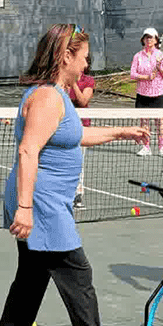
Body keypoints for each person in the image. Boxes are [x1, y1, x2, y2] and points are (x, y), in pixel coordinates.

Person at [0, 23, 146, 326]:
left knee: (31, 277)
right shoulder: (47, 98)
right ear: (65, 55)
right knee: (77, 274)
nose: (87, 66)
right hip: (41, 205)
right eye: (84, 58)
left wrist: (120, 131)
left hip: (43, 202)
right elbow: (28, 151)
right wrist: (25, 209)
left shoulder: (56, 95)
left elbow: (75, 135)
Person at [129, 27, 163, 157]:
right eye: (146, 37)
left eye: (151, 37)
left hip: (158, 94)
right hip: (143, 94)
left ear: (156, 40)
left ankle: (162, 147)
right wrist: (146, 77)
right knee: (144, 122)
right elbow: (132, 74)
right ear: (143, 40)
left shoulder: (161, 56)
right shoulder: (138, 56)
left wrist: (160, 69)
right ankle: (146, 146)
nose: (149, 40)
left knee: (160, 122)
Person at [67, 55, 96, 210]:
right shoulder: (63, 79)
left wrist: (74, 84)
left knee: (78, 162)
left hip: (82, 127)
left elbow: (83, 101)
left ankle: (78, 195)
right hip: (64, 125)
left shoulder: (88, 81)